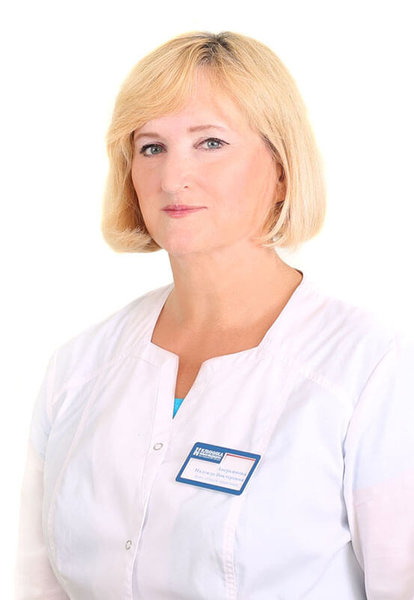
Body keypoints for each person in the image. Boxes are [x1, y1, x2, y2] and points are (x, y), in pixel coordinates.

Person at [14, 30, 414, 600]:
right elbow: (36, 585)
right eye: (151, 147)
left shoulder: (370, 369)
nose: (173, 177)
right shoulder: (78, 368)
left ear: (282, 169)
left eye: (210, 142)